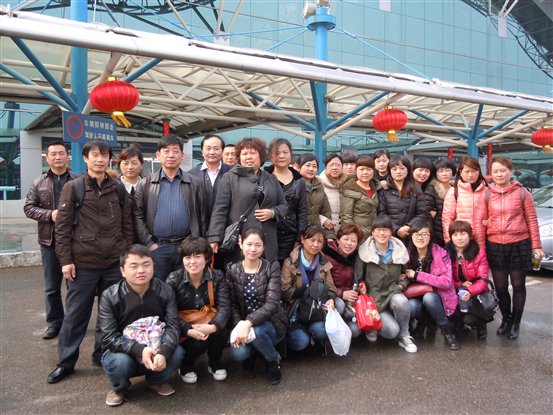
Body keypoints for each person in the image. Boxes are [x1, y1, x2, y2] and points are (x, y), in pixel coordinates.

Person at [48, 140, 134, 384]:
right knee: (76, 315)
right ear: (85, 159)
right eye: (95, 155)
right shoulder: (73, 187)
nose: (100, 159)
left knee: (110, 314)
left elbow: (127, 225)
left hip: (113, 263)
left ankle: (101, 353)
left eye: (104, 155)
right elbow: (62, 228)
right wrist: (66, 260)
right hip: (83, 263)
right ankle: (66, 362)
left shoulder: (118, 188)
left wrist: (125, 255)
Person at [99, 245, 184, 406]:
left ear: (153, 266)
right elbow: (109, 337)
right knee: (119, 363)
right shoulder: (110, 296)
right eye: (134, 266)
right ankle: (119, 388)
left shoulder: (165, 290)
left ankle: (156, 381)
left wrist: (164, 351)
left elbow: (173, 326)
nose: (141, 270)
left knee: (177, 352)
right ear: (123, 271)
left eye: (146, 265)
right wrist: (140, 349)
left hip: (156, 346)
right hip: (124, 351)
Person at [24, 141, 78, 340]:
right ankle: (54, 323)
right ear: (47, 158)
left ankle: (73, 323)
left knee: (74, 286)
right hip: (49, 242)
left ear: (67, 156)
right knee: (51, 287)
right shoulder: (38, 183)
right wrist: (49, 215)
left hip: (75, 241)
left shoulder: (78, 180)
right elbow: (29, 208)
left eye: (61, 153)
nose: (57, 157)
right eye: (53, 154)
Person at [134, 134, 206, 281]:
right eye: (166, 151)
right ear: (158, 155)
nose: (171, 155)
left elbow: (203, 216)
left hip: (187, 248)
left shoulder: (195, 183)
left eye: (175, 151)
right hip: (158, 247)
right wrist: (149, 243)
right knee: (158, 287)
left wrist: (198, 244)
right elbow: (137, 215)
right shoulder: (145, 184)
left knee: (185, 287)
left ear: (182, 155)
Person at [487, 157, 544, 340]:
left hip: (519, 243)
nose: (499, 174)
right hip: (495, 245)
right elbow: (481, 219)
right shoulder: (487, 194)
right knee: (501, 287)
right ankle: (506, 319)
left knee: (518, 285)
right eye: (495, 171)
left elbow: (532, 220)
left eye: (502, 170)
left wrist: (536, 245)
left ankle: (516, 323)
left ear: (510, 171)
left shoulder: (522, 193)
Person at [207, 137, 288, 264]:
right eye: (244, 153)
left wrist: (272, 213)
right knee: (239, 273)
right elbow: (220, 210)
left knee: (267, 272)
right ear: (239, 157)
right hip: (240, 241)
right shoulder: (230, 178)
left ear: (261, 156)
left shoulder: (270, 178)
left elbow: (284, 205)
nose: (249, 157)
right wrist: (214, 238)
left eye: (253, 153)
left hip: (267, 241)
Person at [226, 228, 287, 385]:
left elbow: (272, 304)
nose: (253, 249)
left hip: (271, 324)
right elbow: (232, 304)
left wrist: (248, 323)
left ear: (264, 247)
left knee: (257, 332)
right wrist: (239, 325)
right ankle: (256, 351)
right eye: (249, 244)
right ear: (241, 244)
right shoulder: (233, 269)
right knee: (237, 354)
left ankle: (272, 360)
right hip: (244, 324)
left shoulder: (271, 268)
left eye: (258, 245)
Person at [165, 236, 230, 383]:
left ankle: (214, 362)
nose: (192, 262)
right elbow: (169, 313)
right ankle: (186, 365)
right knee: (196, 342)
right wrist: (188, 329)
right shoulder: (174, 279)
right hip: (185, 325)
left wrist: (213, 326)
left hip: (209, 320)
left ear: (206, 258)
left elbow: (225, 307)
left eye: (197, 256)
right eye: (187, 257)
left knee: (221, 331)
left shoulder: (217, 276)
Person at [355, 215, 417, 353]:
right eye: (378, 229)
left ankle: (405, 335)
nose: (382, 233)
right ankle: (375, 325)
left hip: (393, 293)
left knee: (401, 300)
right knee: (391, 331)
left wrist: (401, 285)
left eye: (386, 229)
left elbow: (406, 274)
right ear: (372, 232)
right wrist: (361, 287)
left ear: (391, 232)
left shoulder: (399, 251)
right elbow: (358, 278)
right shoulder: (364, 252)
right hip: (374, 301)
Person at [404, 219, 460, 350]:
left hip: (438, 297)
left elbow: (446, 282)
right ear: (411, 236)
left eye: (424, 234)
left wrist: (417, 275)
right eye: (416, 234)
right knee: (411, 306)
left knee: (429, 298)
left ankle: (447, 331)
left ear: (430, 236)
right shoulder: (406, 254)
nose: (420, 238)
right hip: (415, 297)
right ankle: (425, 322)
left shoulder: (441, 254)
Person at [281, 225, 337, 354]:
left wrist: (331, 299)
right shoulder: (290, 261)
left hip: (316, 309)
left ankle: (314, 338)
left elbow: (331, 288)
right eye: (312, 240)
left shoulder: (323, 261)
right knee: (301, 342)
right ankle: (301, 337)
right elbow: (284, 291)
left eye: (320, 241)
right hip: (296, 310)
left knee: (323, 330)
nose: (315, 244)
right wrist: (308, 289)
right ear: (302, 239)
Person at [445, 220, 490, 340]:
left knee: (469, 319)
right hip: (455, 291)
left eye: (463, 233)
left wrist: (469, 291)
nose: (459, 238)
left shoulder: (479, 252)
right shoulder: (445, 253)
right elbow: (444, 278)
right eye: (455, 234)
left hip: (475, 293)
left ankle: (481, 324)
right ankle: (458, 324)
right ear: (451, 237)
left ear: (470, 235)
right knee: (452, 313)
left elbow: (483, 280)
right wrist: (460, 284)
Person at [265, 138, 308, 263]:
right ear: (271, 156)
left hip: (290, 236)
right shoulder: (263, 177)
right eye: (277, 153)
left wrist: (299, 239)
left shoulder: (299, 181)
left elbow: (302, 212)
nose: (282, 156)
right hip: (267, 234)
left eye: (285, 152)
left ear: (291, 154)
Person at [323, 223, 364, 338]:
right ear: (338, 239)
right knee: (339, 305)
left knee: (355, 331)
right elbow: (323, 283)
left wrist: (362, 285)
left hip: (350, 298)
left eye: (353, 241)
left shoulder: (356, 256)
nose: (349, 243)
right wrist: (341, 293)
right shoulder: (327, 255)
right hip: (331, 296)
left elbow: (360, 277)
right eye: (346, 239)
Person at [377, 155, 428, 244]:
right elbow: (382, 213)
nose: (398, 172)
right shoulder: (384, 189)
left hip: (412, 234)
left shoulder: (416, 189)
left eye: (402, 168)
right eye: (394, 169)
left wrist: (408, 227)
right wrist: (396, 229)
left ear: (408, 170)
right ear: (389, 171)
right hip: (390, 236)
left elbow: (422, 213)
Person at [442, 156, 488, 248]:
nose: (470, 175)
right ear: (461, 172)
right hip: (461, 241)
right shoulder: (454, 191)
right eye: (467, 171)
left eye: (473, 171)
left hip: (485, 240)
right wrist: (449, 241)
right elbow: (447, 219)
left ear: (478, 171)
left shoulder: (487, 191)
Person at [188, 134, 232, 224]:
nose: (212, 152)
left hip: (226, 226)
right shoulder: (191, 175)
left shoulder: (232, 173)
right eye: (208, 149)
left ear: (222, 151)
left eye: (216, 148)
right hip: (199, 227)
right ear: (202, 152)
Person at [340, 155, 380, 244]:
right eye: (361, 169)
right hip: (359, 236)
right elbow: (346, 217)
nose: (365, 172)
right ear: (356, 171)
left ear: (373, 171)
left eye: (369, 169)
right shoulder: (349, 188)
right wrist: (352, 236)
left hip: (375, 235)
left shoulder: (376, 187)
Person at [298, 153, 336, 241]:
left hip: (316, 234)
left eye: (314, 166)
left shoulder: (319, 185)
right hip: (299, 235)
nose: (311, 169)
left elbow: (326, 211)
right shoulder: (293, 185)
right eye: (308, 165)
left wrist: (329, 236)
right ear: (299, 167)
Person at [426, 158, 457, 246]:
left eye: (447, 170)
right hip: (437, 232)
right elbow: (427, 211)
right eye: (441, 171)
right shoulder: (431, 189)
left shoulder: (455, 188)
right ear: (435, 173)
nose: (444, 173)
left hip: (455, 229)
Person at [318, 153, 345, 233]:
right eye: (331, 165)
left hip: (343, 233)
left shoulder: (347, 184)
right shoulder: (318, 183)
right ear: (325, 167)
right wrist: (323, 220)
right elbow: (310, 209)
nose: (335, 168)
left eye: (338, 165)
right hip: (324, 231)